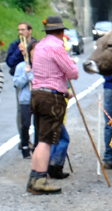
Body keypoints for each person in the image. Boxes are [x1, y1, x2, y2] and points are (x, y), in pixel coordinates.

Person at [28, 16, 78, 195]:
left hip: (37, 94)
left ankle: (34, 177)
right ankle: (41, 180)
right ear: (62, 32)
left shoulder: (40, 45)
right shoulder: (57, 47)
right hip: (52, 97)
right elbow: (73, 73)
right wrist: (71, 63)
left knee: (41, 137)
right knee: (46, 140)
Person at [6, 22, 38, 158]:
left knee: (38, 120)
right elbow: (9, 62)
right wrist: (20, 52)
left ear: (30, 31)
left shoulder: (36, 44)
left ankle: (37, 145)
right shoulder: (15, 45)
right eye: (18, 30)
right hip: (21, 81)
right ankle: (24, 141)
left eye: (23, 30)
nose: (20, 32)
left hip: (36, 88)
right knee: (22, 115)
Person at [12, 55, 34, 159]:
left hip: (38, 98)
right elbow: (17, 83)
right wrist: (26, 74)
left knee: (38, 124)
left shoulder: (41, 65)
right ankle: (25, 147)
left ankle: (37, 147)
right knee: (25, 125)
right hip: (25, 100)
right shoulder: (21, 66)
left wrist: (32, 77)